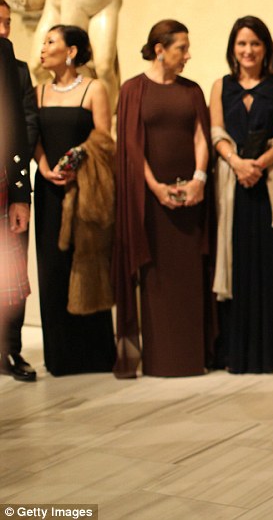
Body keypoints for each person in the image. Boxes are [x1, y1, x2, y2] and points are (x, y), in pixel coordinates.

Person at [113, 20, 213, 378]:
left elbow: (201, 136)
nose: (187, 55)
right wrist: (155, 187)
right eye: (180, 48)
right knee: (156, 278)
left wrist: (199, 180)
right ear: (159, 49)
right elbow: (130, 146)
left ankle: (191, 357)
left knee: (189, 278)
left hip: (191, 198)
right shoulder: (132, 90)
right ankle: (159, 359)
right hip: (151, 202)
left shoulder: (192, 91)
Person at [209, 16, 273, 374]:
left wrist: (257, 165)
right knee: (238, 265)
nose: (248, 51)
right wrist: (237, 163)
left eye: (255, 44)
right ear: (233, 48)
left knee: (272, 267)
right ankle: (237, 353)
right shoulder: (221, 85)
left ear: (266, 49)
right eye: (242, 44)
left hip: (269, 188)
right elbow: (216, 130)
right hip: (233, 188)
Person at [33, 25, 115, 376]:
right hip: (49, 189)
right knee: (52, 270)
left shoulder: (94, 88)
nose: (43, 48)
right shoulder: (38, 92)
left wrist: (76, 161)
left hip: (83, 189)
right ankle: (60, 357)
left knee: (87, 262)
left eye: (50, 42)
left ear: (71, 51)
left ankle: (95, 356)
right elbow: (33, 138)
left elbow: (103, 137)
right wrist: (46, 167)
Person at [0, 0, 39, 382]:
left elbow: (24, 125)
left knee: (10, 274)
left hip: (4, 182)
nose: (4, 29)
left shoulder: (15, 67)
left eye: (8, 22)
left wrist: (19, 194)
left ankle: (10, 351)